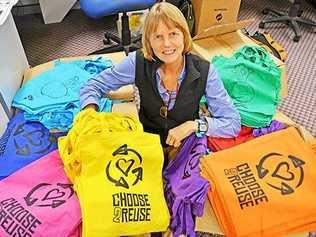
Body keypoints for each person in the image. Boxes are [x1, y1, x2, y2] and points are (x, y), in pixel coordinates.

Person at [79, 2, 240, 150]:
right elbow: (93, 85)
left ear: (184, 35)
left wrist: (194, 125)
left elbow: (232, 123)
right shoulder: (137, 62)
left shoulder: (205, 71)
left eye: (173, 34)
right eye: (158, 36)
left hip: (185, 147)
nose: (167, 44)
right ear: (148, 41)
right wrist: (90, 116)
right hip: (146, 143)